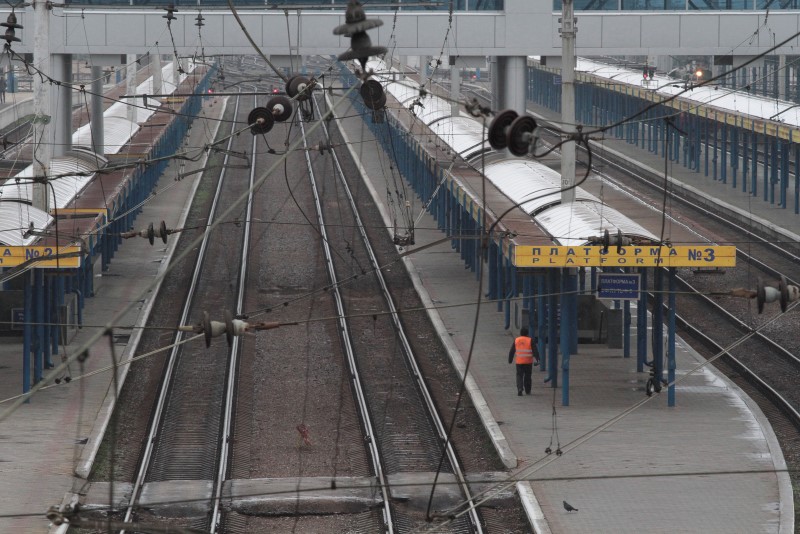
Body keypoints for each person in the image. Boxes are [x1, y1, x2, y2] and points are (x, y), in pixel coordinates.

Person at [508, 327, 539, 396]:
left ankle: (520, 388)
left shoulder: (517, 340)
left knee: (519, 375)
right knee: (527, 376)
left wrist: (510, 360)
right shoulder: (530, 340)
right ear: (527, 333)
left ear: (520, 333)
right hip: (528, 362)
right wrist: (538, 359)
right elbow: (535, 351)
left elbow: (512, 351)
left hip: (519, 362)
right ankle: (527, 390)